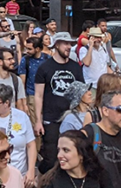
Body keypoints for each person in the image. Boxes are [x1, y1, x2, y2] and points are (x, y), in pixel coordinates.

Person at [34, 32, 84, 173]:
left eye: (70, 44)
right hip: (51, 119)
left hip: (72, 118)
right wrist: (38, 120)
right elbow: (38, 95)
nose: (69, 47)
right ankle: (43, 182)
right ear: (56, 45)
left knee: (72, 155)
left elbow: (81, 93)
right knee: (51, 158)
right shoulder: (44, 67)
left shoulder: (75, 67)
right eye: (65, 43)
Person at [18, 36, 49, 128]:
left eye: (29, 49)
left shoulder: (48, 59)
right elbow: (22, 82)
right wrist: (24, 102)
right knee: (35, 124)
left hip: (47, 95)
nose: (27, 51)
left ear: (38, 49)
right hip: (32, 95)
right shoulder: (25, 60)